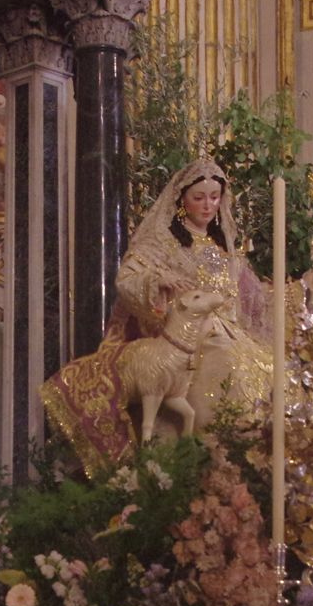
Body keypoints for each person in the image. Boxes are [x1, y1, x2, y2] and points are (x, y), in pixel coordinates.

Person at [40, 158, 275, 476]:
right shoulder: (161, 242)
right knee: (224, 360)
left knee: (272, 372)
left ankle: (244, 462)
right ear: (181, 200)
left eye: (214, 196)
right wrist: (157, 282)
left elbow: (250, 297)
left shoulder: (225, 247)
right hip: (188, 337)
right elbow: (127, 280)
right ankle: (206, 459)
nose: (208, 205)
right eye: (199, 197)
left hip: (227, 332)